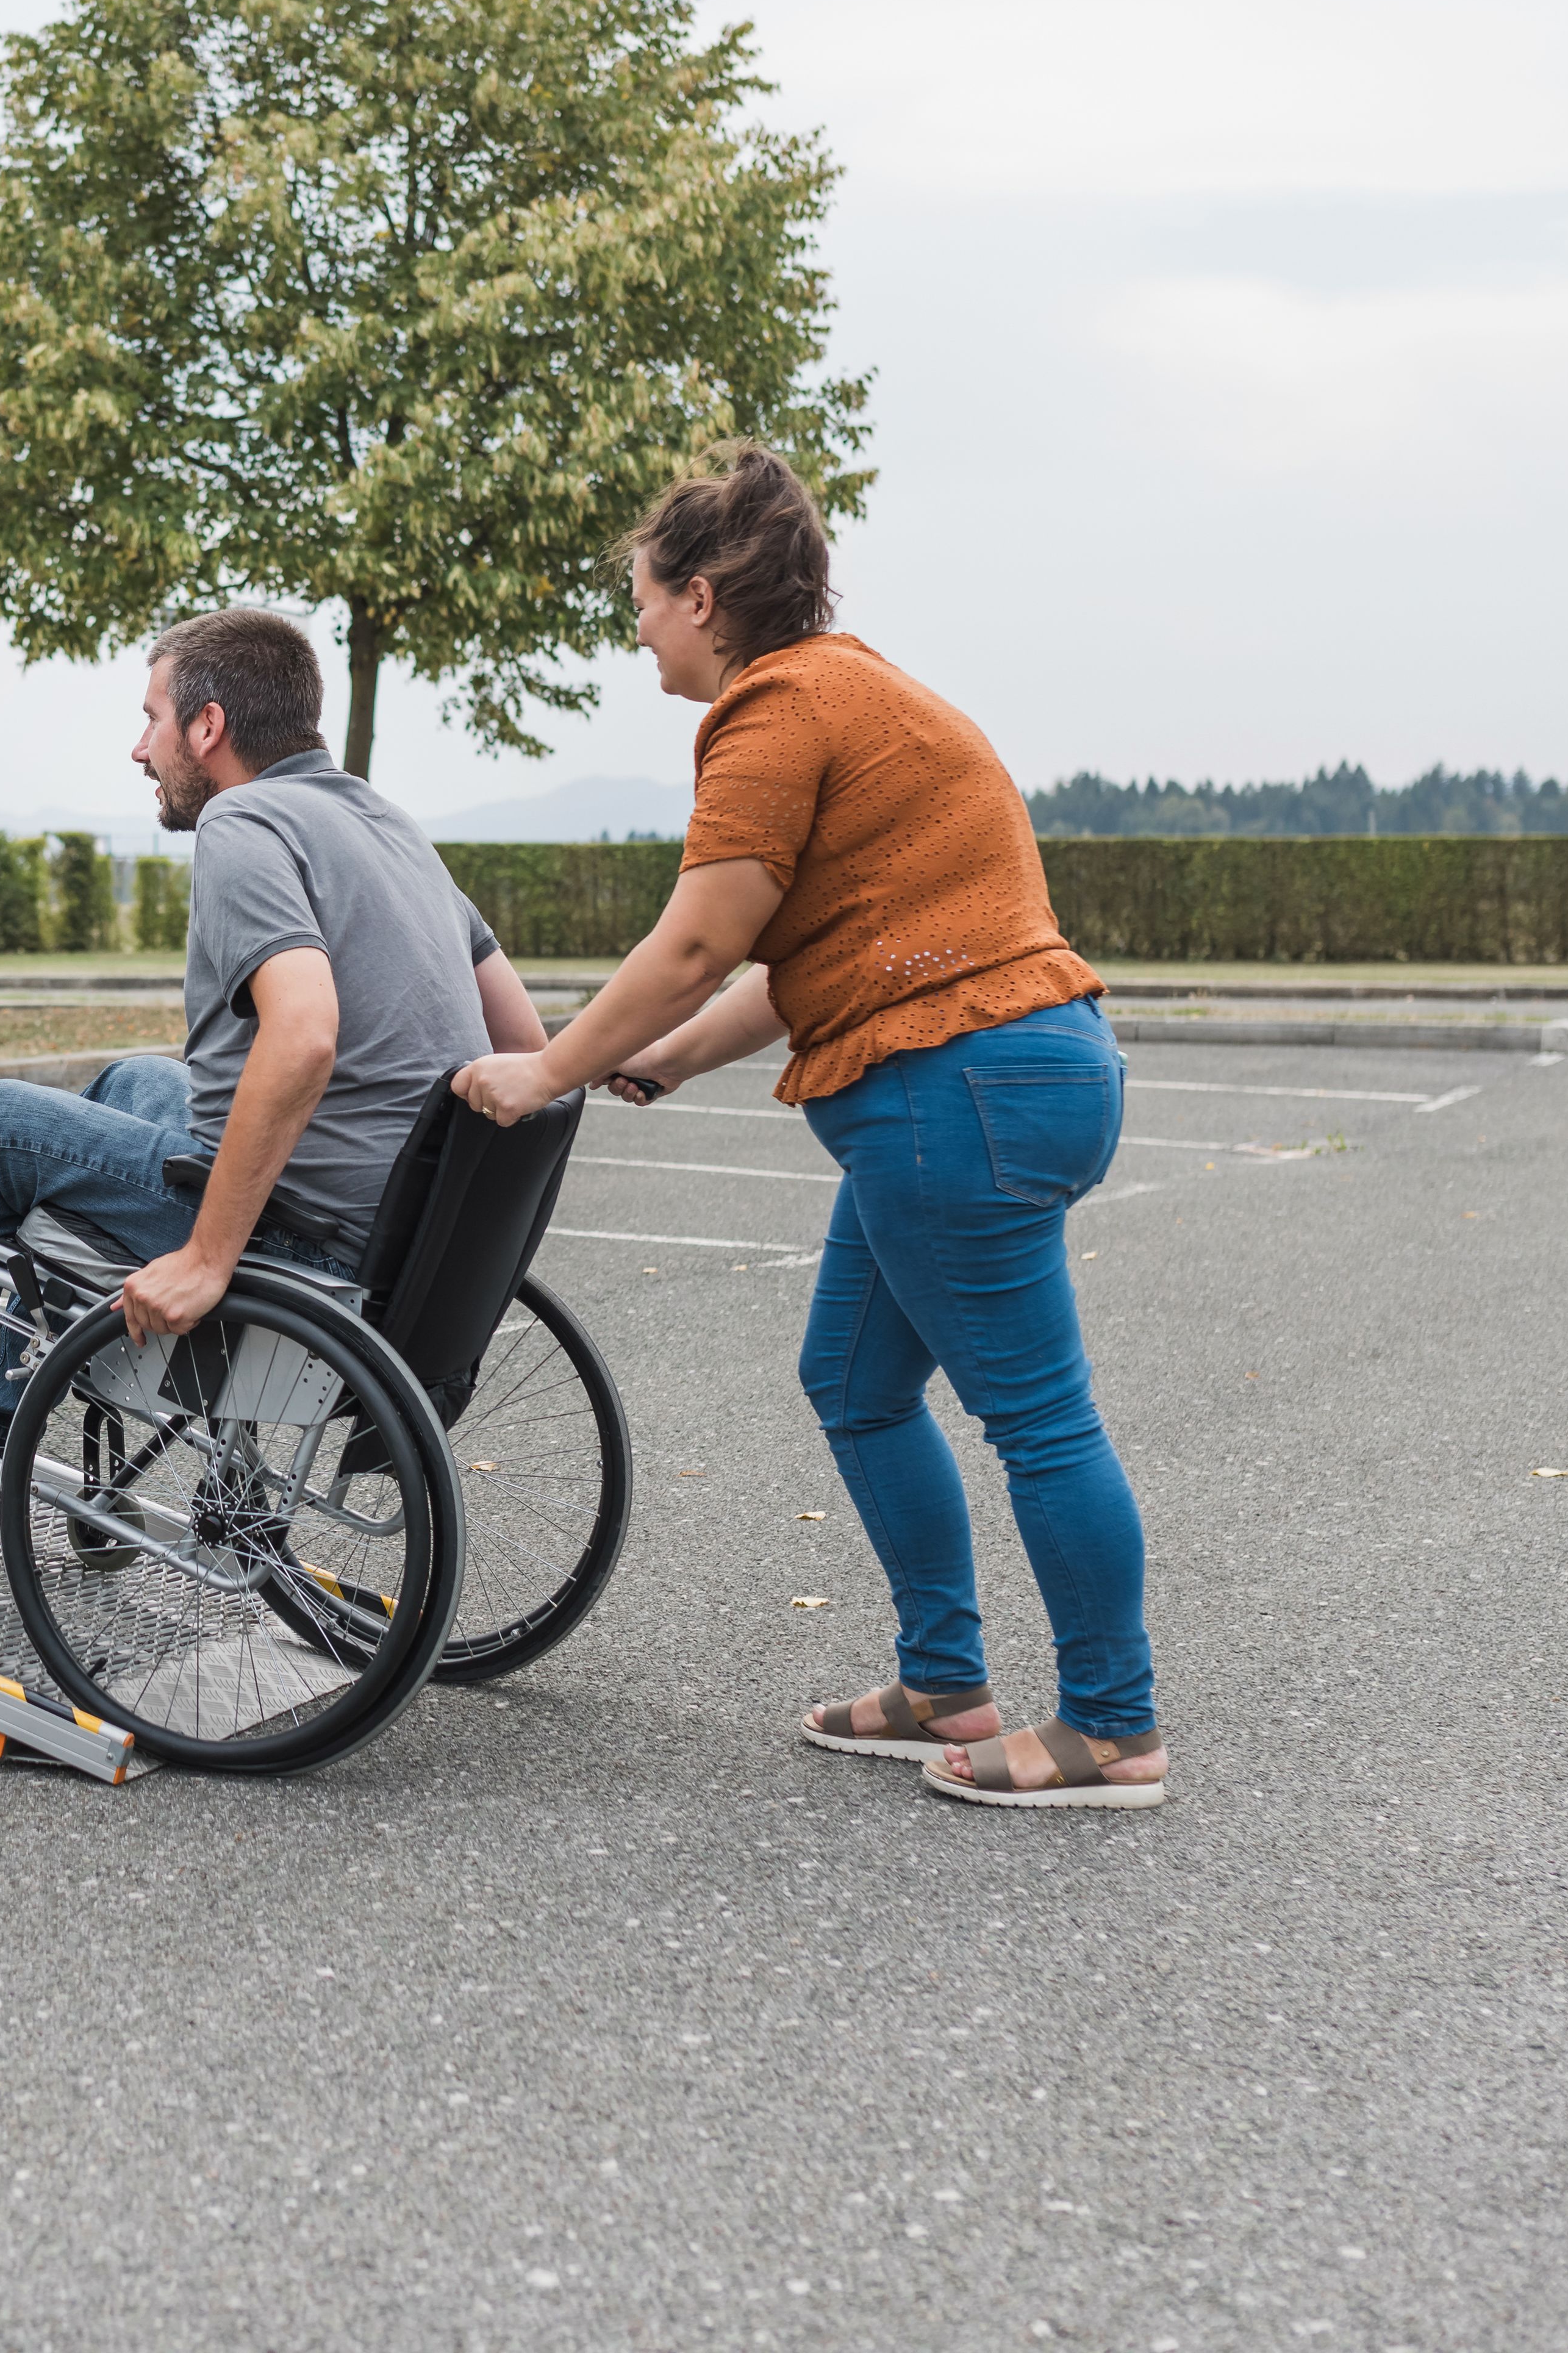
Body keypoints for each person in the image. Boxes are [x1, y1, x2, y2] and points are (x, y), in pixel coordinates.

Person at [449, 444, 1167, 1808]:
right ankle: (945, 1683)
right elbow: (801, 964)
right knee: (853, 1381)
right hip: (1003, 1067)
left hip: (956, 1086)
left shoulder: (772, 711)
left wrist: (541, 1073)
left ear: (705, 595)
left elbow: (699, 941)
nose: (638, 627)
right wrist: (658, 1062)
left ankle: (1113, 1727)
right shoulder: (860, 690)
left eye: (645, 599)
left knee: (1038, 1418)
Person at [0, 606, 550, 1508]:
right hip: (407, 1232)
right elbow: (526, 1050)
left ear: (207, 727)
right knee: (135, 1079)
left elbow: (303, 1032)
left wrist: (209, 1257)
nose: (140, 749)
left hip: (308, 1239)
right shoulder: (388, 823)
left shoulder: (242, 823)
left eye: (151, 718)